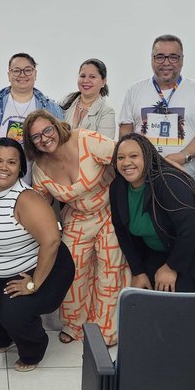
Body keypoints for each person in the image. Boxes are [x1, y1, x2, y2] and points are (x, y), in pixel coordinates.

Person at [0, 138, 75, 372]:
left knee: (12, 312)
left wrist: (34, 284)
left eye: (12, 162)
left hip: (41, 266)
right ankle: (4, 338)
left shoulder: (27, 199)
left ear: (20, 168)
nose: (4, 167)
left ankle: (33, 351)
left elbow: (52, 242)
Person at [23, 109, 129, 345]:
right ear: (31, 143)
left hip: (108, 211)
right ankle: (74, 326)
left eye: (47, 130)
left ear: (56, 126)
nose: (44, 138)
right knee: (73, 271)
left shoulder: (85, 139)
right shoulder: (39, 168)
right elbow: (40, 205)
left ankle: (106, 330)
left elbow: (126, 157)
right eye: (36, 136)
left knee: (110, 268)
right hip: (76, 217)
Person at [111, 133, 195, 292]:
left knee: (179, 289)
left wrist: (171, 267)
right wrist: (138, 272)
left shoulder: (167, 180)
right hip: (163, 245)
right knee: (146, 287)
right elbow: (122, 232)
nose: (126, 162)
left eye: (133, 156)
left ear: (147, 157)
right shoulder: (117, 187)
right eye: (120, 158)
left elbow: (190, 227)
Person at [120, 35, 195, 178]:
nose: (166, 62)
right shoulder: (135, 90)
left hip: (184, 175)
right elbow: (126, 128)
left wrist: (182, 156)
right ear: (152, 59)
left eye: (173, 57)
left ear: (182, 60)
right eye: (160, 57)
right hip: (143, 176)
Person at [0, 52, 63, 173]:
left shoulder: (51, 109)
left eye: (28, 70)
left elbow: (61, 147)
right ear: (9, 75)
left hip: (36, 182)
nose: (22, 75)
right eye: (16, 71)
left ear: (35, 74)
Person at [60, 58, 116, 138]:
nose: (86, 80)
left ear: (103, 81)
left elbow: (103, 147)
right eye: (82, 76)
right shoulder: (66, 100)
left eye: (92, 77)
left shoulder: (107, 111)